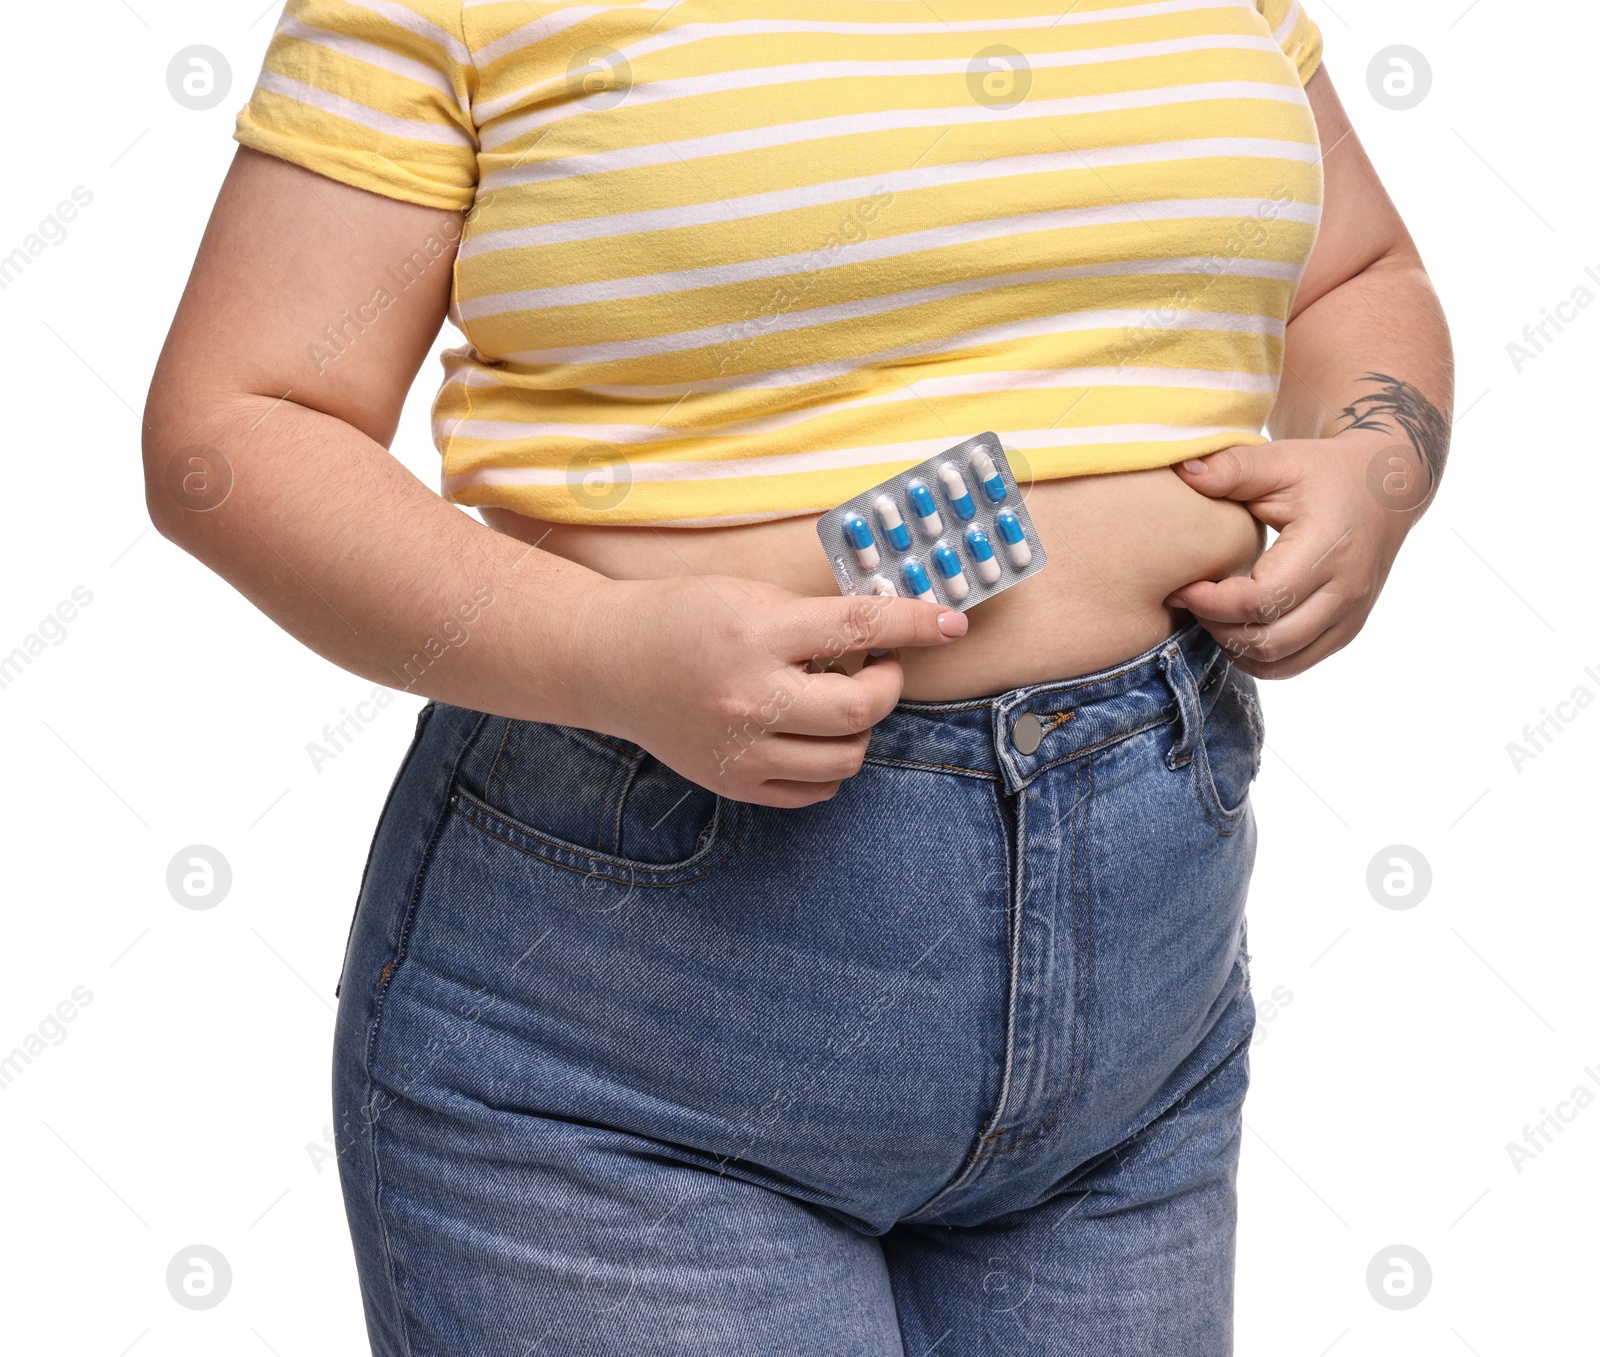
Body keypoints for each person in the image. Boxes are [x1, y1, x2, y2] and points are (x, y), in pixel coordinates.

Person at [142, 1, 1452, 1352]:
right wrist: (601, 652)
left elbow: (1357, 273)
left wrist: (1378, 458)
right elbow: (234, 427)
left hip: (1145, 1013)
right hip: (631, 1033)